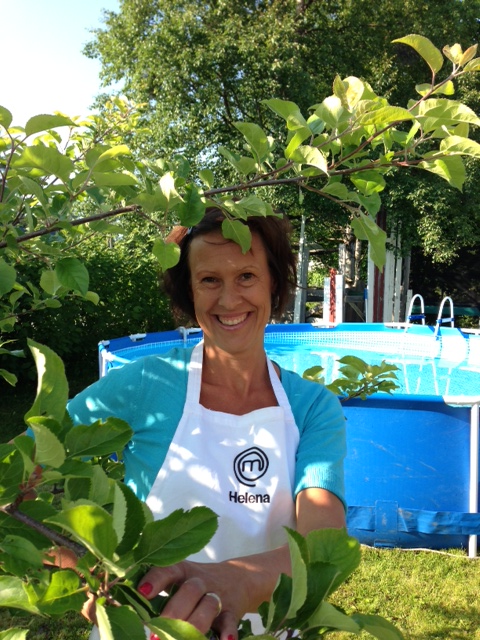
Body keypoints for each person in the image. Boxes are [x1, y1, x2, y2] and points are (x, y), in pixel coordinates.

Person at [67, 208, 347, 640]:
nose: (229, 300)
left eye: (247, 276)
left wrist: (238, 581)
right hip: (146, 626)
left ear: (274, 284)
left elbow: (323, 547)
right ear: (190, 292)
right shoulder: (147, 385)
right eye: (210, 280)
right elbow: (29, 463)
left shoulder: (312, 408)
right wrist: (83, 568)